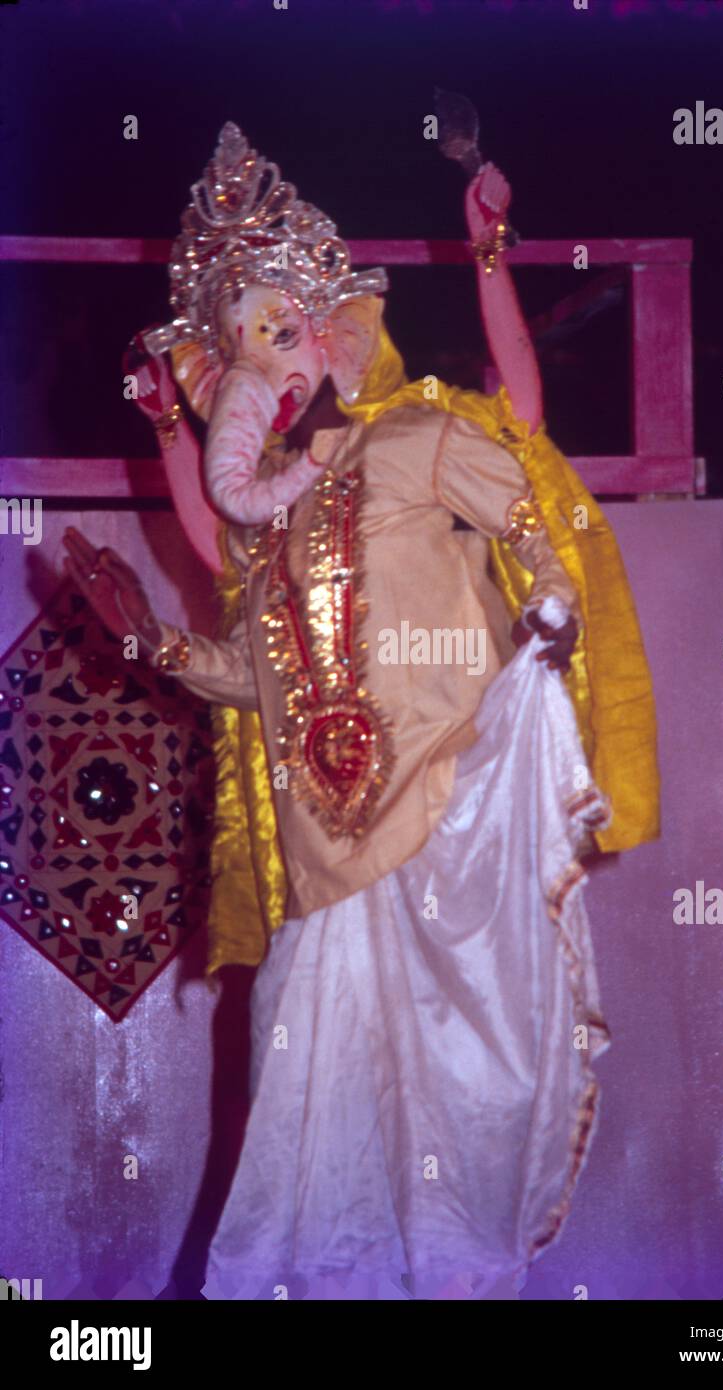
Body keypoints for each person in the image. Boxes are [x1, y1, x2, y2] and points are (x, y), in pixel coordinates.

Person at [62, 124, 659, 1300]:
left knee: (462, 1121)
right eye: (242, 344)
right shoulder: (271, 524)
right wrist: (147, 639)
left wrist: (547, 612)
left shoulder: (422, 440)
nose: (266, 362)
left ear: (335, 336)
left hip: (451, 828)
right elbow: (248, 672)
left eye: (281, 330)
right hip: (327, 873)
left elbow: (528, 503)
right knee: (311, 1154)